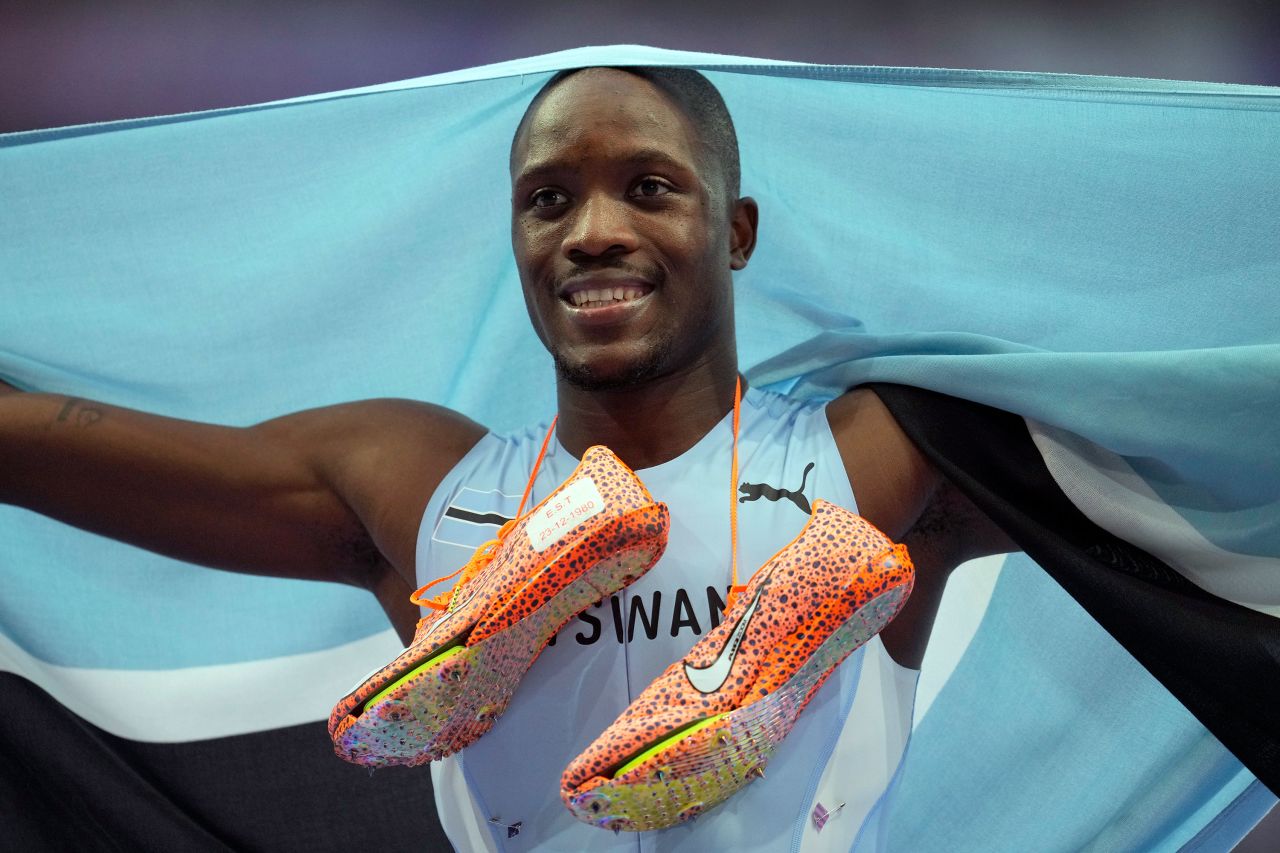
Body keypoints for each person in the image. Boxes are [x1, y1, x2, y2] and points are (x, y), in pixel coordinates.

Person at [0, 66, 1017, 850]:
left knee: (920, 464)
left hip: (820, 518)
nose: (592, 232)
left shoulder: (879, 450)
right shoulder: (410, 480)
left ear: (733, 230)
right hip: (499, 540)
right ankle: (534, 598)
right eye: (547, 200)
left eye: (650, 188)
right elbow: (58, 453)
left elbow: (1118, 465)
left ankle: (775, 610)